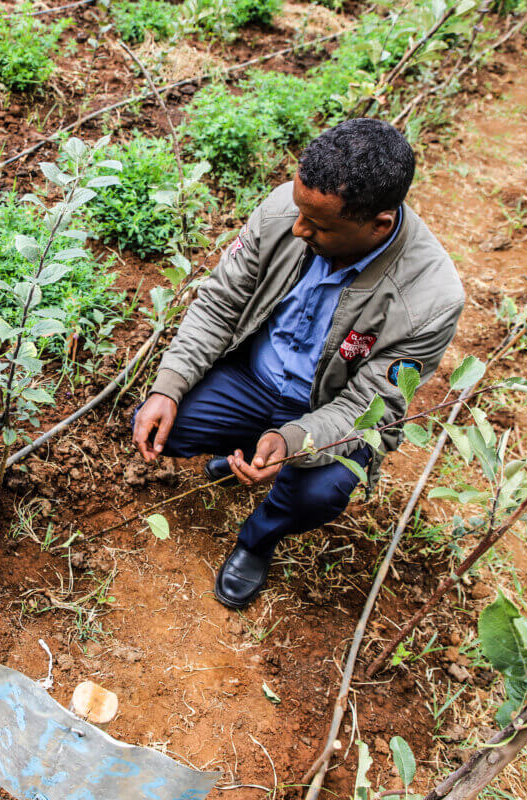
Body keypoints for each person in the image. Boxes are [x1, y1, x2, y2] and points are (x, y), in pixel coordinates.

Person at [133, 119, 465, 608]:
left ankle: (258, 540)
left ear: (379, 224)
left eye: (320, 226)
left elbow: (371, 409)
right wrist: (169, 384)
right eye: (299, 209)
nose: (298, 228)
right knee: (170, 425)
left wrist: (292, 440)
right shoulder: (286, 210)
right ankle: (247, 447)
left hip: (329, 410)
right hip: (253, 379)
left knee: (319, 492)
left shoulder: (431, 299)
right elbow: (221, 302)